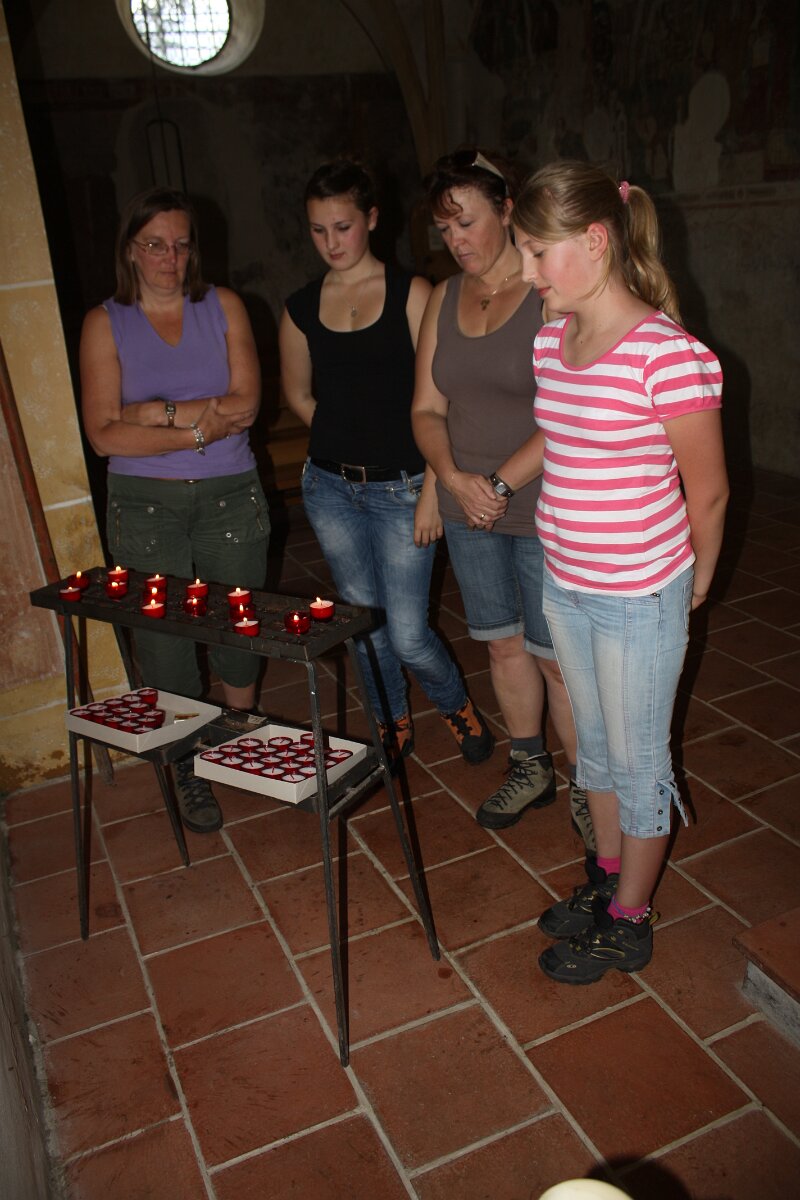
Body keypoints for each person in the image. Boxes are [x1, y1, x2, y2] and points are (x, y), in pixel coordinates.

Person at [493, 160, 728, 983]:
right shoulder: (551, 339)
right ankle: (607, 878)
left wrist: (696, 583)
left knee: (639, 765)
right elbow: (561, 444)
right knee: (590, 751)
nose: (525, 271)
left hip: (639, 594)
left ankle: (631, 919)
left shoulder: (667, 356)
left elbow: (708, 491)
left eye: (536, 251)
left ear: (595, 241)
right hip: (567, 581)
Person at [278, 159, 493, 764]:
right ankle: (391, 720)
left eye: (343, 227)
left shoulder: (412, 293)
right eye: (318, 230)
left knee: (408, 632)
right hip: (330, 489)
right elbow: (298, 395)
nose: (331, 242)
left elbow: (440, 399)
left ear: (372, 219)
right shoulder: (299, 307)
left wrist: (432, 487)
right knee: (363, 625)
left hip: (404, 488)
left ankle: (453, 702)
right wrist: (345, 435)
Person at [80, 186, 269, 834]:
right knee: (165, 641)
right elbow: (104, 435)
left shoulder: (224, 306)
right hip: (145, 504)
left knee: (237, 622)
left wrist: (151, 413)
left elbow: (245, 404)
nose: (170, 258)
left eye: (182, 245)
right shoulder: (104, 323)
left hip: (229, 493)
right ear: (131, 250)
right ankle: (187, 759)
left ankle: (238, 733)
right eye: (156, 244)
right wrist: (193, 428)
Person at [411, 149, 586, 843]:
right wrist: (453, 481)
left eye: (467, 223)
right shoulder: (444, 297)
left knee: (556, 659)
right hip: (469, 508)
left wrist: (499, 483)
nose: (456, 241)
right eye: (444, 229)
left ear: (508, 211)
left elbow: (566, 410)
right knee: (502, 646)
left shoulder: (548, 292)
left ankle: (589, 785)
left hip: (542, 504)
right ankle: (530, 765)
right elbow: (427, 408)